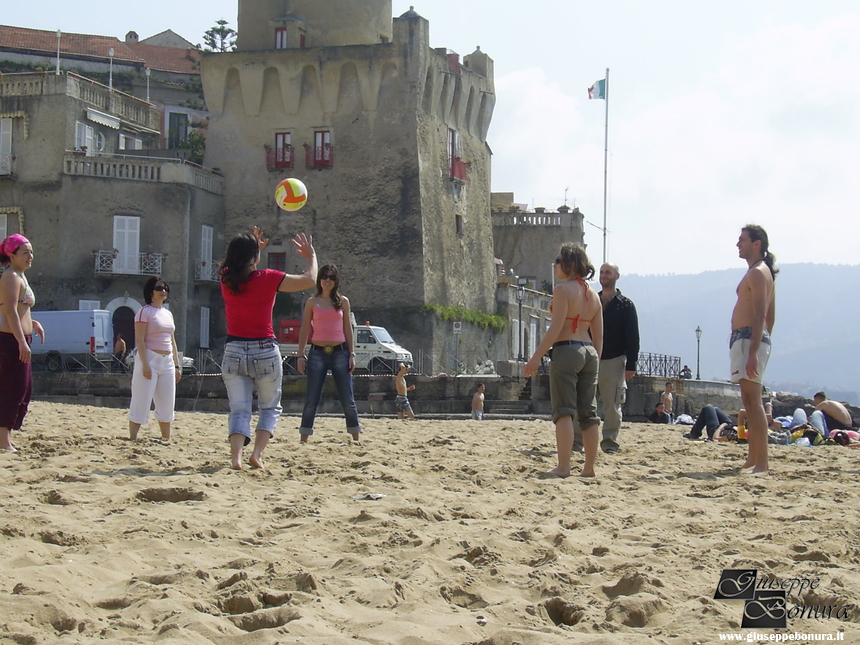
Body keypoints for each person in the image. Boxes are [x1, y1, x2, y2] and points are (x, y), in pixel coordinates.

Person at [221, 227, 317, 469]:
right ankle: (257, 455)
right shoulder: (268, 278)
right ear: (254, 258)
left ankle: (236, 458)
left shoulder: (224, 277)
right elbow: (310, 280)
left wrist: (254, 249)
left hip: (233, 348)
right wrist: (311, 256)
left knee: (239, 408)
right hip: (264, 348)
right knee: (270, 406)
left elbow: (241, 268)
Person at [525, 243, 603, 478]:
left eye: (558, 261)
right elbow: (598, 336)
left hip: (567, 350)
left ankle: (564, 466)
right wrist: (596, 362)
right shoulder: (593, 296)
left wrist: (536, 357)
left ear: (569, 265)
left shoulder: (562, 290)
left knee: (564, 412)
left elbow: (556, 328)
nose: (555, 265)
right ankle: (588, 468)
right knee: (589, 414)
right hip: (589, 352)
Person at [574, 262, 639, 454]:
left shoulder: (625, 305)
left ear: (616, 276)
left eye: (608, 272)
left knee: (612, 406)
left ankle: (610, 442)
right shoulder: (591, 300)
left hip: (614, 360)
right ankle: (577, 442)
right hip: (590, 358)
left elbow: (633, 336)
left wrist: (631, 364)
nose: (604, 275)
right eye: (602, 272)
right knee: (584, 403)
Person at [731, 224, 777, 473]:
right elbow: (771, 315)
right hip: (746, 338)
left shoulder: (759, 272)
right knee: (749, 401)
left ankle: (762, 462)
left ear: (756, 243)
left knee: (753, 401)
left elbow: (762, 313)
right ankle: (753, 458)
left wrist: (755, 349)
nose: (738, 244)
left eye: (742, 240)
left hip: (750, 338)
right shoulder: (758, 272)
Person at [297, 264, 361, 443]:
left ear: (336, 281)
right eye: (324, 276)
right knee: (312, 398)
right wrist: (300, 355)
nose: (327, 280)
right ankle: (304, 438)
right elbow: (304, 330)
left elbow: (348, 329)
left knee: (347, 398)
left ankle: (355, 437)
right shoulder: (312, 302)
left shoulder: (343, 302)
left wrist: (352, 354)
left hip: (340, 352)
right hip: (317, 352)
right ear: (319, 280)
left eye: (331, 277)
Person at [0, 234, 45, 452]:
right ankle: (2, 440)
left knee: (22, 390)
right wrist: (20, 341)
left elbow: (19, 309)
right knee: (12, 389)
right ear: (12, 255)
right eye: (25, 252)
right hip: (10, 340)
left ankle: (5, 436)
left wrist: (32, 323)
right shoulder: (10, 276)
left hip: (20, 338)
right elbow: (8, 310)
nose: (30, 256)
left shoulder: (20, 276)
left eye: (31, 252)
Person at [127, 277, 181, 441]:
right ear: (151, 292)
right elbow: (140, 339)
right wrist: (145, 364)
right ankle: (133, 437)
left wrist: (177, 366)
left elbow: (172, 340)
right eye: (159, 288)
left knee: (167, 400)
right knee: (142, 398)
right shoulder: (144, 312)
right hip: (150, 358)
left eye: (165, 288)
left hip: (167, 361)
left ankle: (166, 438)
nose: (163, 291)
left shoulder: (168, 313)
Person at [788, 392, 853, 437]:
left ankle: (795, 431)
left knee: (802, 411)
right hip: (846, 426)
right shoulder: (832, 404)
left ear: (818, 399)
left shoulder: (824, 404)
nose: (814, 403)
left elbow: (814, 415)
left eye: (815, 401)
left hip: (837, 427)